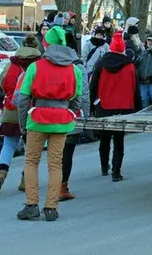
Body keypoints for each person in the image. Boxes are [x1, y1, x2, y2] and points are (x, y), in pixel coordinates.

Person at [15, 26, 82, 222]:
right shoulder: (74, 69)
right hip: (61, 120)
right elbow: (77, 98)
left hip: (37, 119)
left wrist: (23, 124)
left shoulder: (36, 67)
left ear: (46, 44)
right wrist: (68, 111)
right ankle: (51, 207)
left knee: (31, 162)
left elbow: (23, 98)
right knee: (55, 164)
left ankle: (31, 204)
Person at [0, 34, 41, 194]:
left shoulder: (10, 64)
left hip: (10, 108)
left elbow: (1, 82)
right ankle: (25, 180)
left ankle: (1, 174)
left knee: (8, 144)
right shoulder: (37, 64)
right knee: (31, 148)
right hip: (30, 111)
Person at [90, 32, 138, 181]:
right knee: (119, 141)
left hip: (104, 106)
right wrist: (137, 108)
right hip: (123, 108)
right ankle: (116, 172)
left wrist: (92, 105)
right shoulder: (129, 66)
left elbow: (93, 87)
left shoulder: (101, 64)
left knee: (104, 139)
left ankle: (104, 167)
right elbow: (135, 89)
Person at [59, 32, 89, 202]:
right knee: (67, 153)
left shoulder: (43, 64)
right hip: (70, 114)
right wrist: (86, 115)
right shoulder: (77, 67)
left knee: (54, 153)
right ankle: (62, 187)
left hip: (45, 115)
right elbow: (83, 93)